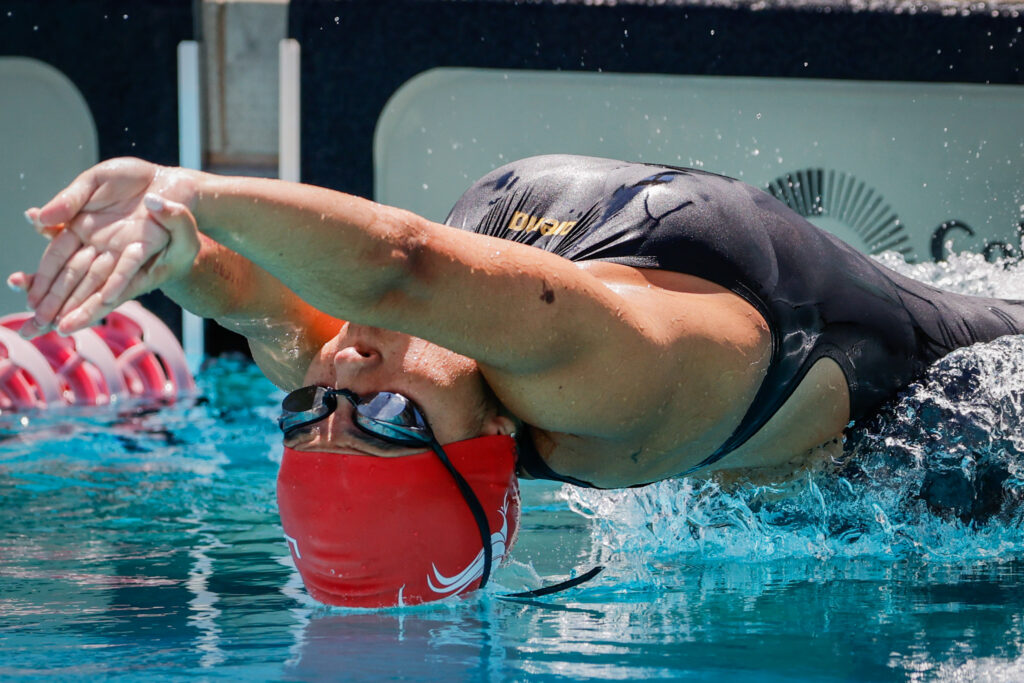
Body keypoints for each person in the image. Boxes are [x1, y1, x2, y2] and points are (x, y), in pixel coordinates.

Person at [10, 154, 1024, 606]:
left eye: (310, 408)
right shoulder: (610, 397)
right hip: (974, 415)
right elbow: (403, 263)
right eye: (388, 418)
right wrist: (189, 185)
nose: (344, 366)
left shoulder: (369, 372)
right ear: (486, 452)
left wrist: (179, 250)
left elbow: (261, 310)